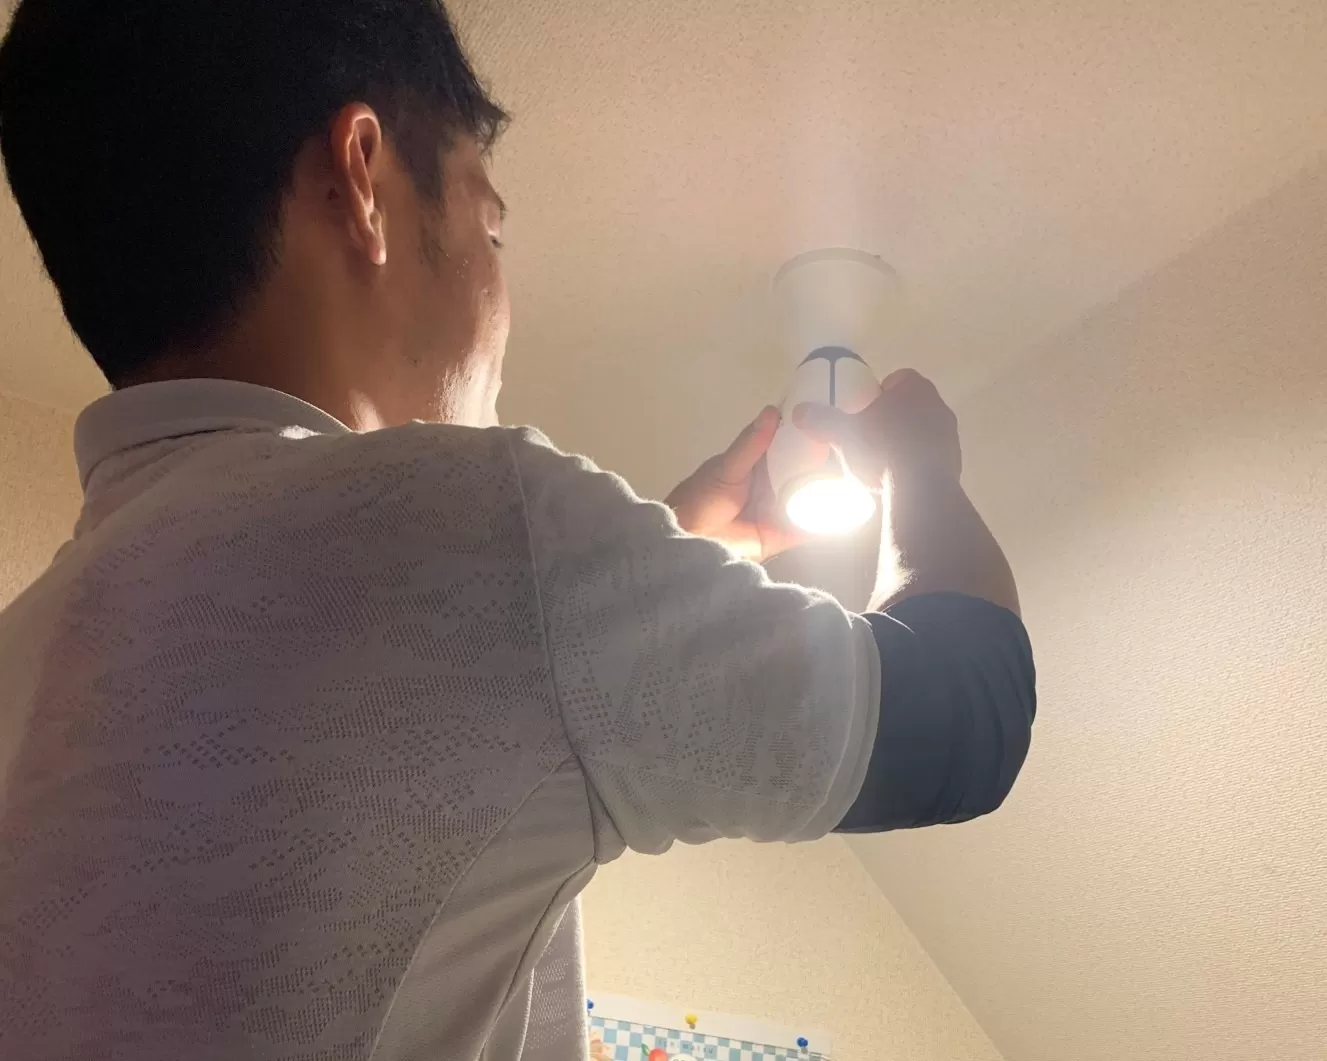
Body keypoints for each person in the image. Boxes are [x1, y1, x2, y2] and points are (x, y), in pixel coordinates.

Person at [0, 2, 1036, 1059]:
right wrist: (921, 469)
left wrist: (645, 578)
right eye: (488, 227)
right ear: (361, 177)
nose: (503, 296)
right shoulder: (476, 521)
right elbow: (966, 713)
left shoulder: (27, 649)